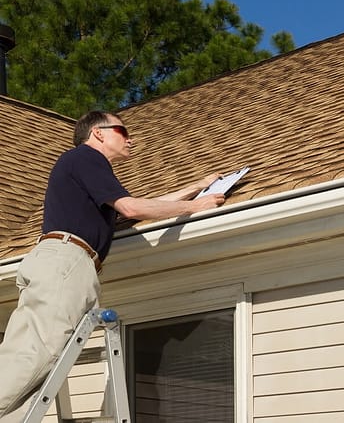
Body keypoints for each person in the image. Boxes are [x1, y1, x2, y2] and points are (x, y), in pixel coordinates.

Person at [0, 110, 226, 421]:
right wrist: (196, 205)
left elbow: (136, 209)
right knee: (39, 354)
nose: (130, 138)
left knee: (25, 363)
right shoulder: (86, 157)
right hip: (67, 262)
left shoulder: (82, 175)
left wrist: (198, 187)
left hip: (55, 261)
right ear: (98, 133)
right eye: (122, 130)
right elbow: (131, 205)